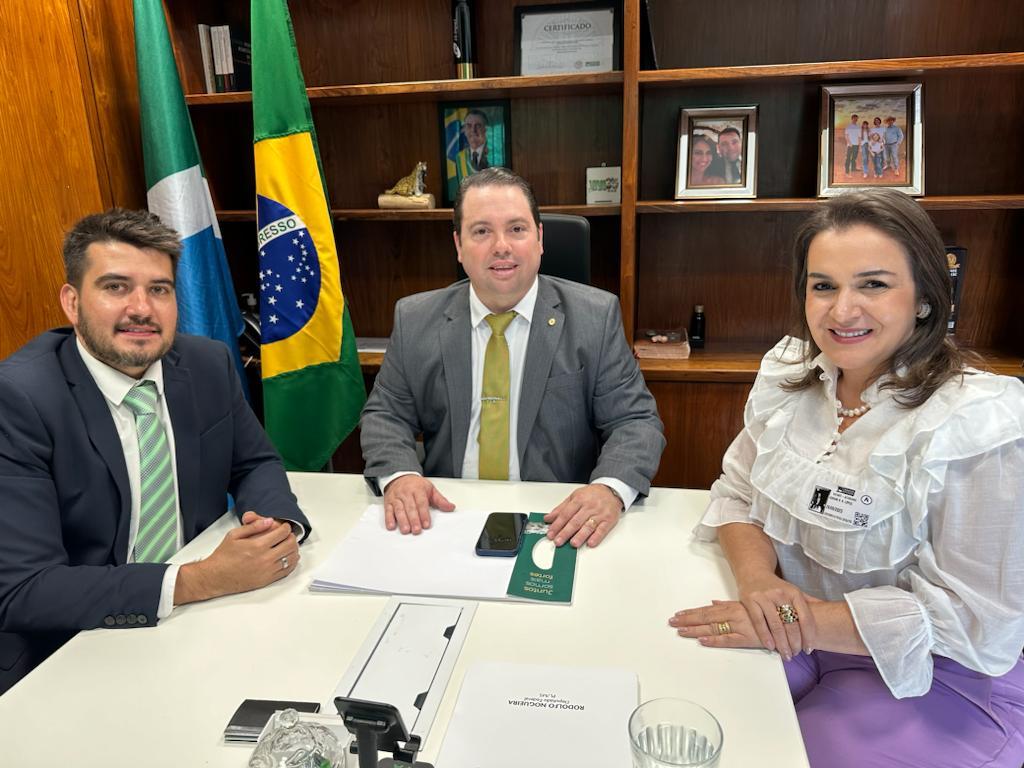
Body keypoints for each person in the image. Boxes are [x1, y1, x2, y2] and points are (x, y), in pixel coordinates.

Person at [668, 188, 1024, 767]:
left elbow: (974, 621)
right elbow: (737, 493)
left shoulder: (977, 424)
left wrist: (796, 619)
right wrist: (759, 584)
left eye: (874, 284)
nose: (841, 311)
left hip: (935, 673)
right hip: (796, 632)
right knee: (686, 705)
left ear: (927, 299)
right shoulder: (790, 377)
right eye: (823, 285)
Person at [0, 209, 310, 694]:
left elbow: (254, 463)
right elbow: (25, 590)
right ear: (72, 301)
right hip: (67, 657)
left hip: (199, 626)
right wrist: (200, 579)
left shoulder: (207, 363)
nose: (142, 308)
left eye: (159, 289)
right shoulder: (20, 398)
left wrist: (274, 530)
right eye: (116, 287)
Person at [361, 168, 665, 549]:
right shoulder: (415, 319)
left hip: (556, 520)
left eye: (517, 229)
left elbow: (635, 422)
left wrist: (608, 489)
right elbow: (386, 415)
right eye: (482, 231)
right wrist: (401, 476)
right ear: (458, 245)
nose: (501, 246)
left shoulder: (594, 317)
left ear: (539, 239)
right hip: (444, 517)